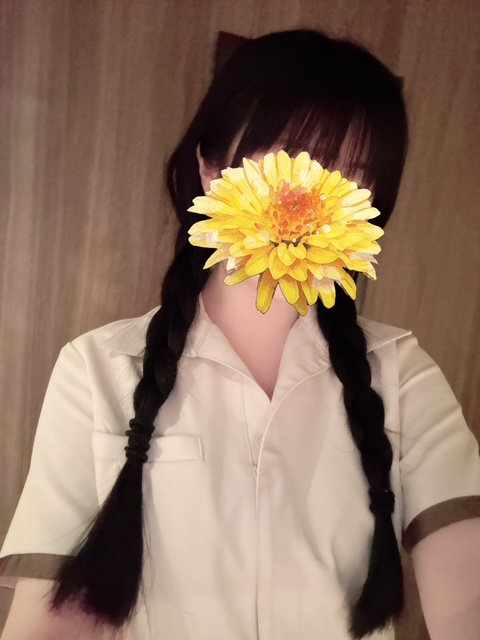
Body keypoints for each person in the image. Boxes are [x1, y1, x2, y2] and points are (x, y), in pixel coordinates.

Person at [1, 27, 480, 640]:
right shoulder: (97, 367)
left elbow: (467, 598)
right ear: (209, 167)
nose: (314, 195)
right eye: (290, 157)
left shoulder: (404, 373)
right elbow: (54, 618)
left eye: (352, 173)